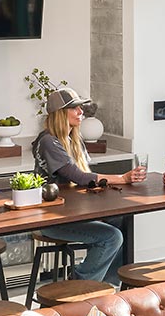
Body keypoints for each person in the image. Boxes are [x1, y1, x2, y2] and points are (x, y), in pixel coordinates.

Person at [32, 86, 139, 282]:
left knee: (121, 220)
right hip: (53, 218)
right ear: (60, 113)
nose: (81, 112)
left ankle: (110, 284)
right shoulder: (48, 141)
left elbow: (86, 177)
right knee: (112, 237)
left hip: (74, 213)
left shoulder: (73, 139)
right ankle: (79, 285)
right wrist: (123, 178)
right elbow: (79, 177)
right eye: (75, 108)